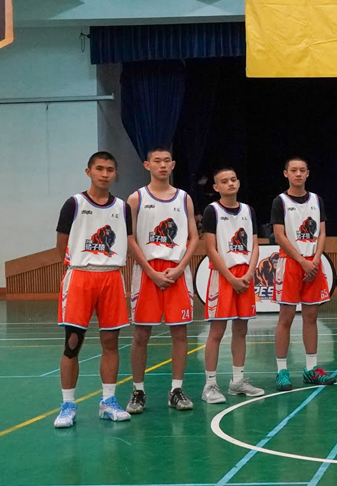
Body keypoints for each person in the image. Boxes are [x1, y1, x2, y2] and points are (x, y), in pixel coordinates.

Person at [54, 152, 134, 428]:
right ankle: (67, 405)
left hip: (111, 277)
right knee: (72, 343)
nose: (104, 174)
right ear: (88, 171)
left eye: (110, 169)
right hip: (80, 276)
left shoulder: (122, 207)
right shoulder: (74, 203)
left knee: (110, 342)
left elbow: (128, 240)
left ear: (115, 174)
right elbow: (61, 243)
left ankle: (108, 401)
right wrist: (76, 265)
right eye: (99, 168)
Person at [124, 147, 199, 414]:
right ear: (147, 165)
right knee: (141, 334)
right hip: (147, 272)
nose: (163, 165)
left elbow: (194, 237)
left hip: (177, 270)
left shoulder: (184, 198)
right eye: (157, 161)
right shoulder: (136, 198)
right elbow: (130, 238)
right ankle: (138, 391)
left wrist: (180, 268)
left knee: (180, 333)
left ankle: (176, 390)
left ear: (173, 164)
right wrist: (151, 272)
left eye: (167, 160)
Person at [272, 157, 336, 391]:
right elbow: (280, 235)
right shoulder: (280, 201)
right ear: (286, 173)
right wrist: (301, 261)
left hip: (313, 263)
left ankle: (311, 368)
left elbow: (322, 232)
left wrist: (316, 259)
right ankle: (281, 370)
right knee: (286, 318)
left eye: (302, 170)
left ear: (308, 173)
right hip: (291, 263)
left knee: (311, 317)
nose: (298, 174)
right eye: (293, 170)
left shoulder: (317, 200)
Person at [201, 167, 264, 403]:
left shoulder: (248, 210)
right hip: (223, 276)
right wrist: (230, 278)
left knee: (241, 330)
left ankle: (237, 381)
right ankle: (210, 385)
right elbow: (210, 248)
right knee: (217, 332)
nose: (230, 183)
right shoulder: (212, 211)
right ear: (216, 187)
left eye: (234, 179)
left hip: (245, 275)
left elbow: (255, 245)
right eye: (224, 181)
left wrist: (249, 273)